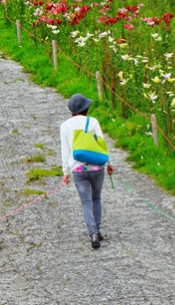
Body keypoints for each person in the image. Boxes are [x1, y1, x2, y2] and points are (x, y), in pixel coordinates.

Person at [60, 93, 114, 249]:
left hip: (78, 169)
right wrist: (109, 163)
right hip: (97, 167)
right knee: (96, 198)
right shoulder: (93, 122)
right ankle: (98, 229)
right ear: (86, 108)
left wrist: (66, 172)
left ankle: (93, 233)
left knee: (86, 202)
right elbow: (102, 144)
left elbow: (65, 151)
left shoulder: (65, 126)